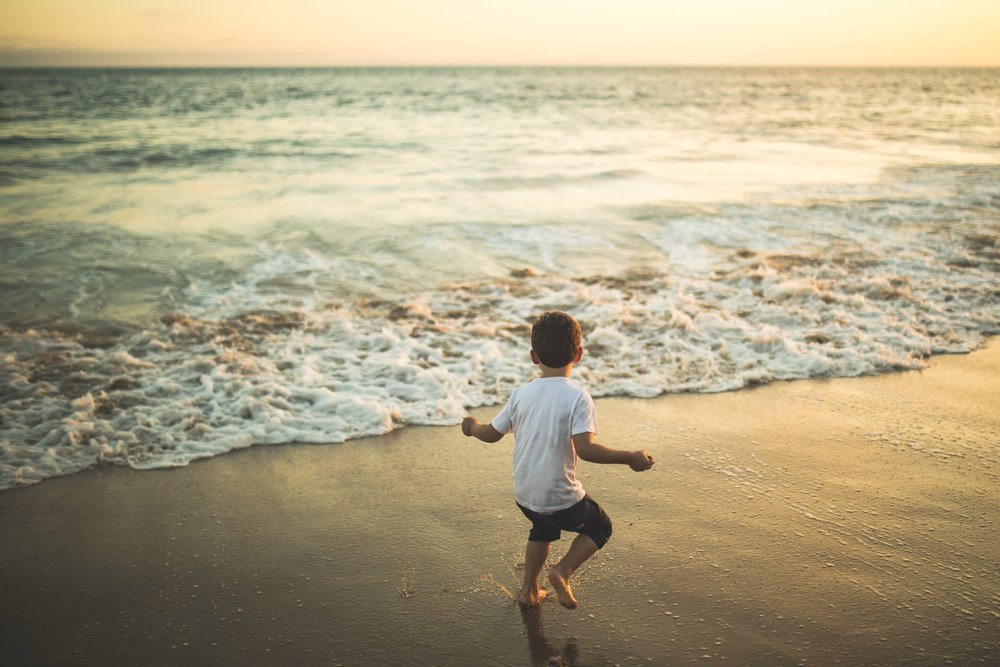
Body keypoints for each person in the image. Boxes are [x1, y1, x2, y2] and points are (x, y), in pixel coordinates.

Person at [462, 311, 654, 609]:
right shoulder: (578, 397)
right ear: (578, 354)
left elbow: (491, 434)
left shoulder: (521, 394)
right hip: (560, 499)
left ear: (534, 357)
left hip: (526, 496)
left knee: (542, 530)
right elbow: (586, 450)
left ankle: (529, 590)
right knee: (600, 526)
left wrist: (472, 426)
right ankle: (562, 571)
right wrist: (629, 457)